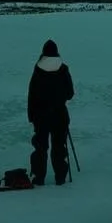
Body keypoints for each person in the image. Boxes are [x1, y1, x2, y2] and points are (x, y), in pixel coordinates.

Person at [27, 39, 75, 185]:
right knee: (59, 146)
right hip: (60, 115)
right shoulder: (63, 69)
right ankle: (60, 176)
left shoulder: (38, 70)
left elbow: (32, 95)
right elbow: (70, 93)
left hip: (41, 116)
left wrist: (31, 116)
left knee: (40, 147)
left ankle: (38, 176)